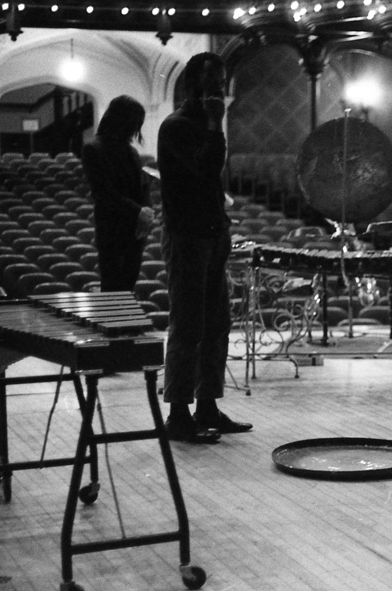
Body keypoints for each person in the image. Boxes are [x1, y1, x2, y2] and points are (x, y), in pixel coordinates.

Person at [157, 52, 251, 443]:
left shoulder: (205, 126)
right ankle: (179, 414)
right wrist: (216, 124)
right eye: (211, 84)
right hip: (187, 235)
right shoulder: (176, 126)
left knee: (217, 324)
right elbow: (207, 169)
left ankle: (207, 406)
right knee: (189, 324)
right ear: (193, 85)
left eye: (222, 84)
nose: (218, 92)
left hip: (213, 232)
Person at [81, 95, 155, 292]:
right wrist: (138, 211)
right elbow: (104, 192)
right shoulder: (93, 148)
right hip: (112, 230)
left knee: (128, 287)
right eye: (134, 123)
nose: (136, 129)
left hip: (135, 231)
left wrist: (147, 212)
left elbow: (143, 186)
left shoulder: (131, 152)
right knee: (113, 289)